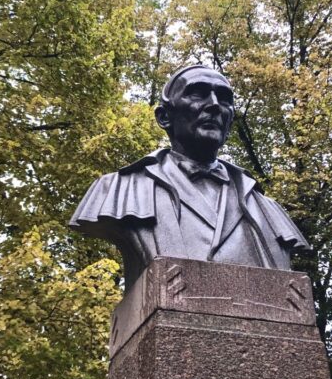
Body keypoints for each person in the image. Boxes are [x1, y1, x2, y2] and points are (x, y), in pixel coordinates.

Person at [69, 65, 309, 288]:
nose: (215, 105)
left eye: (224, 99)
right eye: (197, 94)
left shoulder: (266, 208)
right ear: (164, 117)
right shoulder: (117, 190)